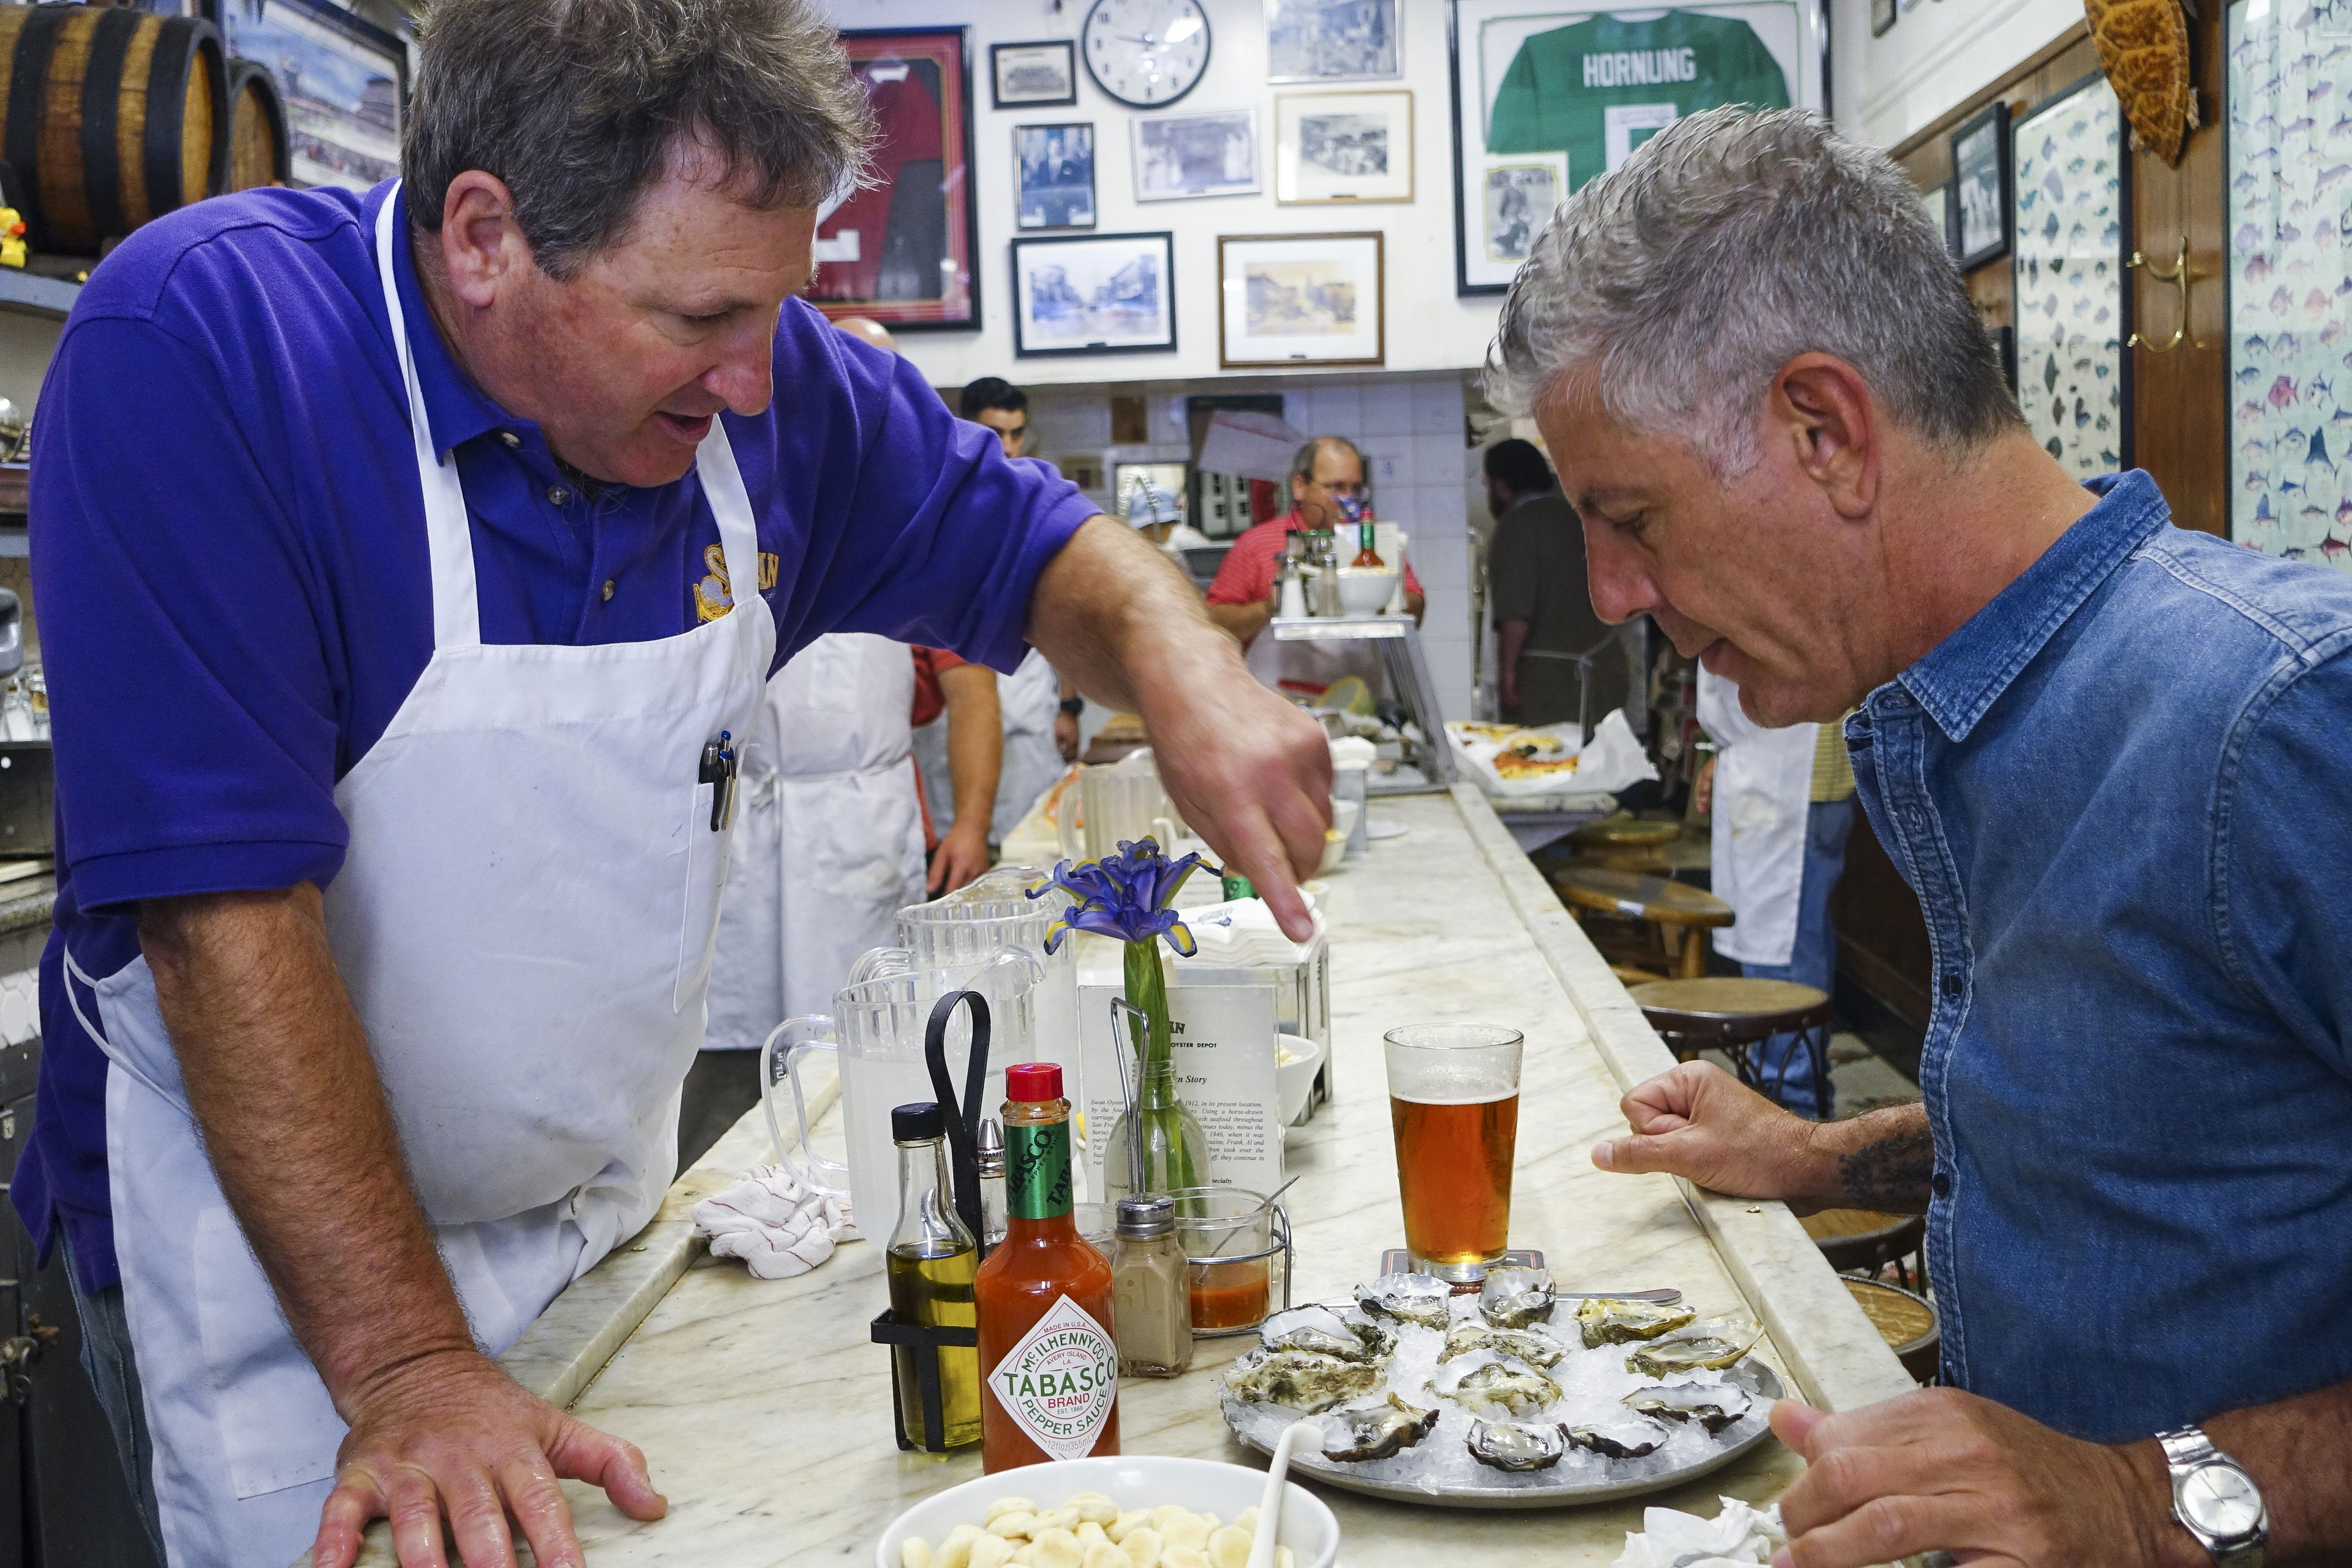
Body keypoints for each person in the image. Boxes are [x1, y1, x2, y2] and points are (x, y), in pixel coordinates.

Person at [19, 6, 1330, 1566]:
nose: (759, 378)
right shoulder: (208, 350)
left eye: (778, 308)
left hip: (592, 1222)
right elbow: (219, 916)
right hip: (273, 1280)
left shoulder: (774, 399)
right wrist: (412, 1364)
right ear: (485, 236)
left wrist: (1190, 675)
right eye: (700, 315)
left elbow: (1045, 547)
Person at [1494, 104, 2352, 1566]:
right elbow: (2131, 1130)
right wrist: (1823, 1155)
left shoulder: (2273, 717)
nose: (1613, 589)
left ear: (1822, 430)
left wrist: (2148, 1493)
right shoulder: (1948, 711)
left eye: (1628, 515)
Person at [1691, 667, 1854, 1119]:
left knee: (1782, 946)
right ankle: (1789, 1106)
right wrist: (1725, 749)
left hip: (1794, 762)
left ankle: (1795, 1118)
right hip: (1765, 749)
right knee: (1778, 942)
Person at [1482, 436, 1627, 732]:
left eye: (1487, 486)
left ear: (1500, 486)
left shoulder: (1517, 527)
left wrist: (1507, 673)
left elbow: (1516, 614)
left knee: (1544, 766)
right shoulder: (1576, 517)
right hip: (1607, 670)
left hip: (1554, 684)